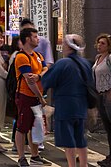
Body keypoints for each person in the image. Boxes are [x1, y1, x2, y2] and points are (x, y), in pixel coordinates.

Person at [39, 34, 90, 167]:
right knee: (80, 139)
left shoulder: (63, 63)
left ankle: (72, 165)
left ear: (67, 46)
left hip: (65, 106)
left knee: (68, 141)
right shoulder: (85, 63)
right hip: (81, 106)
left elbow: (47, 81)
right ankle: (84, 165)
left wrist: (42, 74)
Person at [13, 26, 51, 167]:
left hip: (36, 96)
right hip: (25, 95)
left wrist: (39, 75)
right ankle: (21, 157)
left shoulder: (37, 56)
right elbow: (29, 81)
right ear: (28, 39)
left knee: (36, 127)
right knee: (22, 126)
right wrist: (41, 97)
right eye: (35, 36)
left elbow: (46, 68)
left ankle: (35, 156)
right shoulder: (22, 57)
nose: (38, 39)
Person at [93, 33, 111, 167]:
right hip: (100, 95)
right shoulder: (98, 58)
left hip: (108, 95)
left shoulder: (109, 58)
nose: (99, 45)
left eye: (103, 43)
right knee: (108, 128)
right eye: (98, 43)